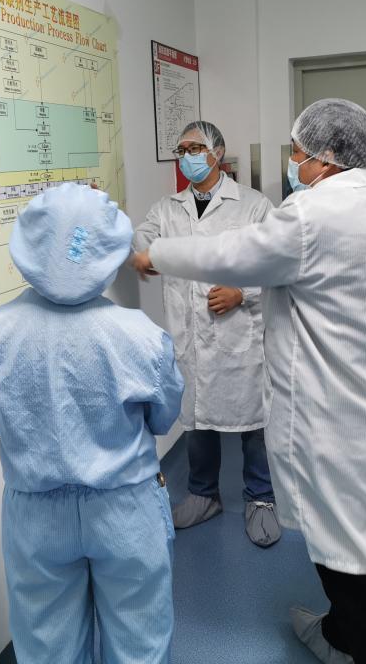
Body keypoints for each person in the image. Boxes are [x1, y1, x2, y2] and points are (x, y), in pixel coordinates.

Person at [133, 99, 366, 664]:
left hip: (333, 420)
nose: (293, 163)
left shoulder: (312, 215)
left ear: (328, 156)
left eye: (298, 152)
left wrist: (157, 256)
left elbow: (233, 253)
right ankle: (339, 633)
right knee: (355, 543)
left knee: (352, 565)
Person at [0, 183, 183, 664]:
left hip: (35, 514)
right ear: (109, 248)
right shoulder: (141, 338)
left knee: (46, 647)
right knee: (140, 641)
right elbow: (164, 417)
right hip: (126, 508)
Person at [134, 120, 279, 547]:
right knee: (197, 419)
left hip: (239, 336)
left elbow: (277, 262)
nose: (188, 156)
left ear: (217, 153)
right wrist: (145, 253)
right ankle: (203, 494)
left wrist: (242, 292)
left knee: (254, 422)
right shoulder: (168, 208)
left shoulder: (253, 205)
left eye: (196, 148)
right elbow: (144, 237)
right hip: (190, 335)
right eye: (182, 150)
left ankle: (261, 497)